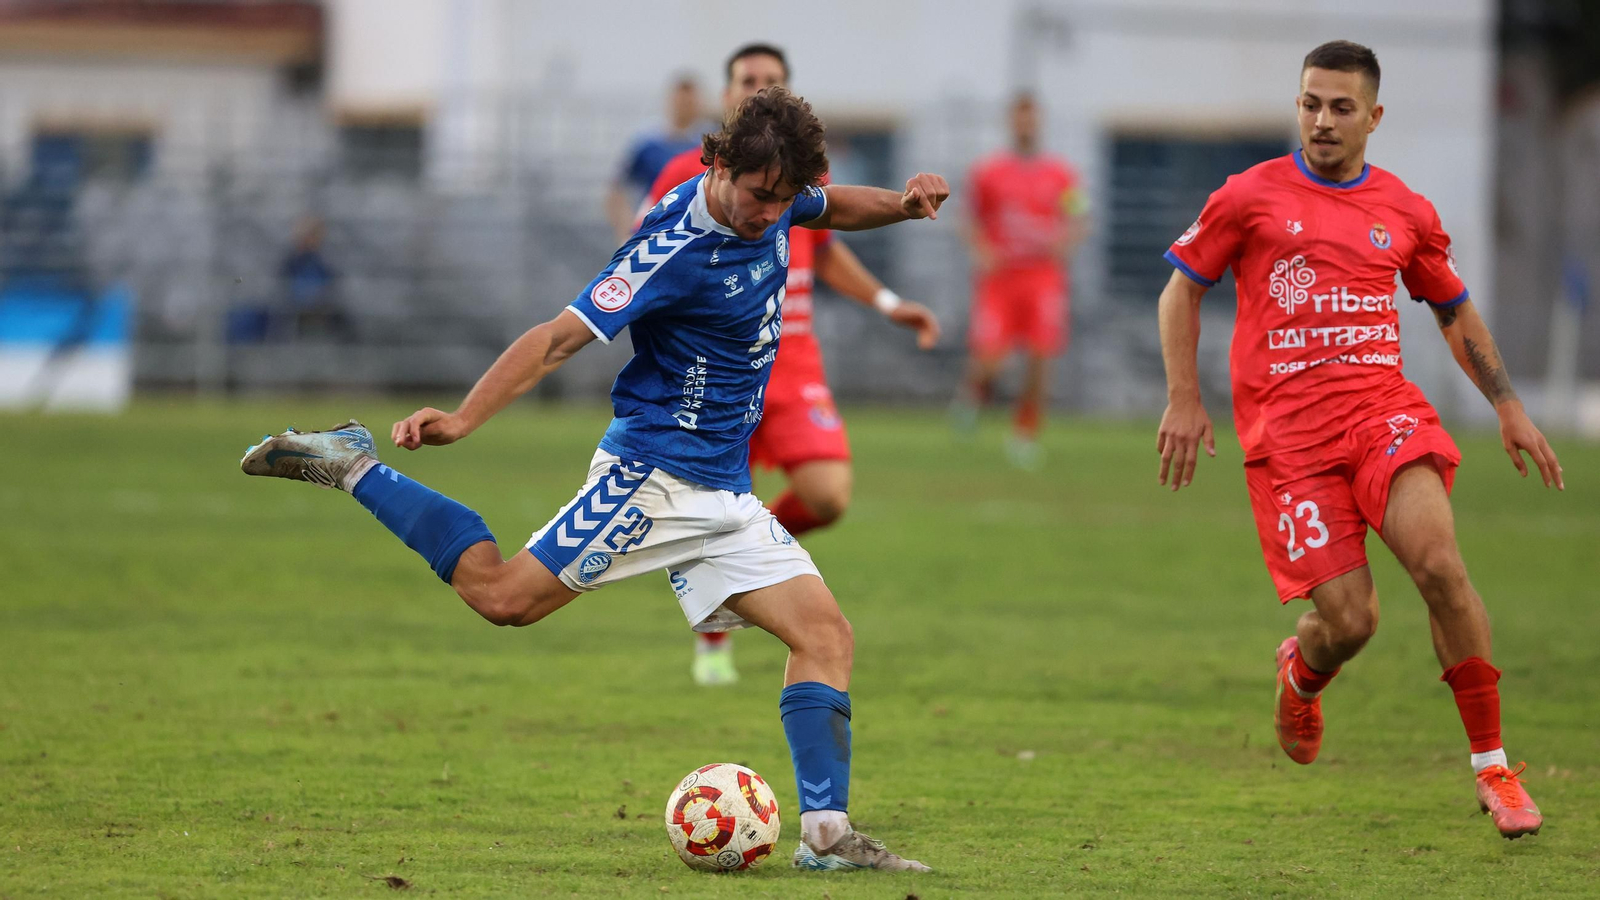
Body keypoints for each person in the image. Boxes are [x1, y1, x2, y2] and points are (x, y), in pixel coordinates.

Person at [241, 86, 944, 871]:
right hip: (651, 478)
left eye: (782, 200)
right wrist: (467, 418)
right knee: (502, 598)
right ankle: (353, 464)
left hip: (723, 492)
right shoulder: (670, 250)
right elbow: (554, 340)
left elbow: (831, 206)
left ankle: (826, 838)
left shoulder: (773, 195)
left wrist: (905, 205)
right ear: (716, 164)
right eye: (758, 197)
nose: (771, 214)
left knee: (825, 636)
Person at [1156, 40, 1563, 840]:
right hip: (1290, 445)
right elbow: (1181, 290)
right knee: (1352, 624)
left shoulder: (1405, 210)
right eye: (1311, 103)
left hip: (1383, 415)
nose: (1322, 120)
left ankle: (1494, 768)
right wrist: (1183, 399)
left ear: (1374, 117)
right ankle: (1301, 677)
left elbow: (1453, 310)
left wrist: (1508, 405)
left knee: (1440, 563)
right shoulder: (1249, 196)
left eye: (1341, 107)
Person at [642, 42, 941, 687]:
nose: (757, 87)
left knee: (827, 495)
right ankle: (715, 636)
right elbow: (647, 262)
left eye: (770, 81)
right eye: (747, 79)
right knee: (723, 493)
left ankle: (742, 556)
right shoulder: (682, 174)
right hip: (720, 362)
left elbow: (828, 248)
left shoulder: (802, 174)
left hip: (794, 355)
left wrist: (889, 304)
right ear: (726, 95)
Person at [953, 92, 1088, 469]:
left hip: (1043, 277)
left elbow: (1080, 215)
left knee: (1040, 358)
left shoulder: (1061, 174)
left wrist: (1068, 239)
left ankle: (1024, 433)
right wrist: (981, 248)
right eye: (1020, 118)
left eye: (1031, 118)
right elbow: (967, 218)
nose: (1026, 125)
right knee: (990, 359)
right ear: (1011, 122)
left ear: (1040, 122)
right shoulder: (989, 172)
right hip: (1001, 278)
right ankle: (973, 396)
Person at [604, 74, 707, 242]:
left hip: (697, 236)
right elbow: (617, 191)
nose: (684, 106)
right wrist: (626, 232)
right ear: (670, 101)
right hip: (653, 233)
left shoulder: (708, 143)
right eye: (680, 100)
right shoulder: (648, 142)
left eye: (690, 101)